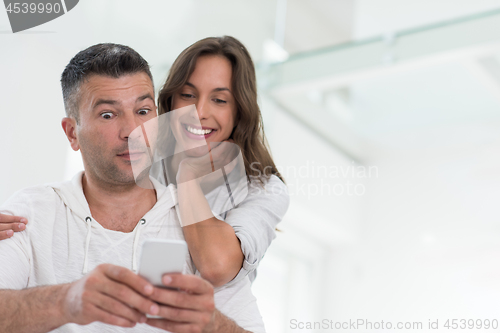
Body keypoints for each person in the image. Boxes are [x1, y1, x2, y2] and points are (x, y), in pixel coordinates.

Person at [0, 43, 264, 332]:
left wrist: (214, 325)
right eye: (108, 115)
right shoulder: (31, 213)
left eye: (142, 110)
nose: (132, 131)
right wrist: (66, 301)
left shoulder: (199, 230)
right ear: (72, 132)